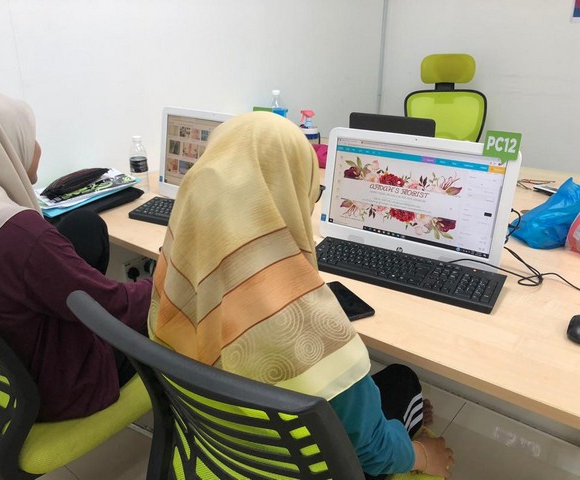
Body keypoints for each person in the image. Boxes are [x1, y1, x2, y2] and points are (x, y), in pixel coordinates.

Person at [147, 111, 455, 478]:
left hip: (219, 447)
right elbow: (371, 453)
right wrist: (424, 455)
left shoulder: (173, 273)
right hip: (297, 466)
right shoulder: (311, 331)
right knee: (402, 379)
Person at [0, 89, 152, 421]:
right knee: (169, 310)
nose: (36, 147)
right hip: (69, 385)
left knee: (83, 226)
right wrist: (171, 275)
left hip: (9, 370)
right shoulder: (19, 235)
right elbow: (116, 308)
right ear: (1, 146)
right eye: (28, 137)